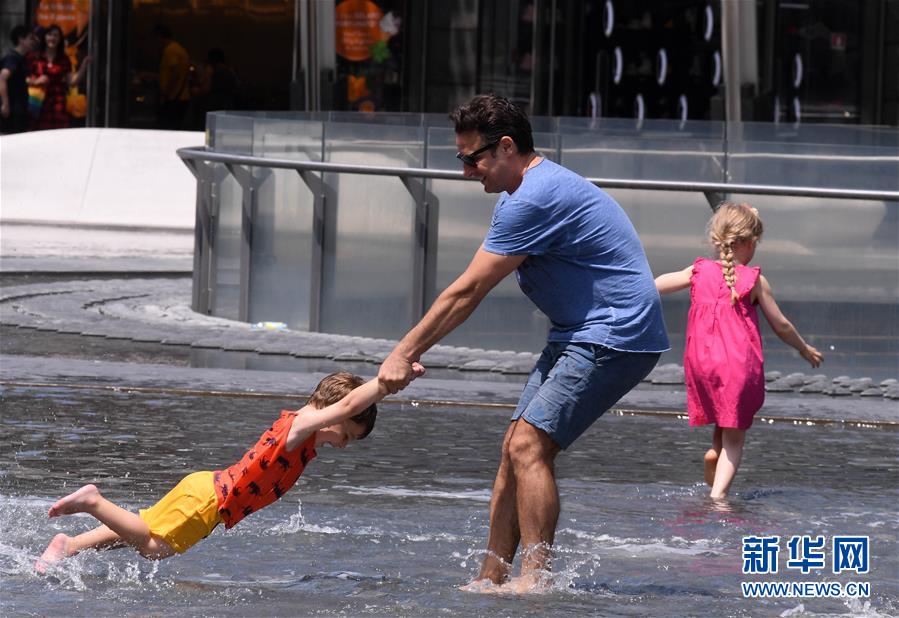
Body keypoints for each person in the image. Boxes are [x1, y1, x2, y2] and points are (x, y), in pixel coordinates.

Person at [378, 94, 668, 592]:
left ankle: (536, 579)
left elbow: (467, 291)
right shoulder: (519, 194)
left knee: (530, 446)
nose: (467, 171)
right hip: (580, 330)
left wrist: (404, 353)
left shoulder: (535, 197)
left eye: (473, 158)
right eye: (461, 159)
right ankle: (490, 576)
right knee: (512, 448)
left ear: (507, 146)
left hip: (617, 334)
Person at [35, 368, 423, 572]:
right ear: (338, 413)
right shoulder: (300, 428)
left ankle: (68, 546)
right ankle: (92, 500)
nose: (344, 444)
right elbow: (345, 405)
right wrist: (387, 382)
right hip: (210, 500)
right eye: (348, 435)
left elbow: (342, 410)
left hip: (206, 487)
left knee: (144, 525)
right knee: (154, 548)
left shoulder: (303, 434)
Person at [654, 202, 822, 499]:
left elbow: (658, 285)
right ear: (750, 242)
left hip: (700, 363)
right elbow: (781, 325)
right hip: (736, 365)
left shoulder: (698, 270)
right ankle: (718, 496)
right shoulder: (754, 280)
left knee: (723, 413)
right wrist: (804, 348)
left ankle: (713, 453)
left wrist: (628, 293)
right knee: (736, 438)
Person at [26, 24, 90, 131]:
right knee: (38, 133)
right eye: (50, 35)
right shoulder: (34, 57)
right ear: (45, 37)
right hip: (37, 101)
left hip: (57, 101)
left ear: (60, 39)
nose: (52, 38)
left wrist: (84, 66)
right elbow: (24, 79)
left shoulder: (64, 59)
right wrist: (36, 81)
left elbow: (72, 82)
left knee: (58, 132)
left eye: (56, 35)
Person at [0, 25, 39, 134]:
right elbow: (2, 77)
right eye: (31, 38)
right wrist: (5, 104)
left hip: (19, 108)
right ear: (21, 39)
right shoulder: (13, 58)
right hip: (13, 110)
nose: (33, 41)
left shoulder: (21, 58)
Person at [152, 24, 190, 130]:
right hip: (180, 97)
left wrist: (166, 93)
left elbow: (175, 74)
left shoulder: (171, 51)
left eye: (155, 39)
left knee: (169, 127)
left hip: (174, 98)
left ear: (159, 36)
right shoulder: (179, 49)